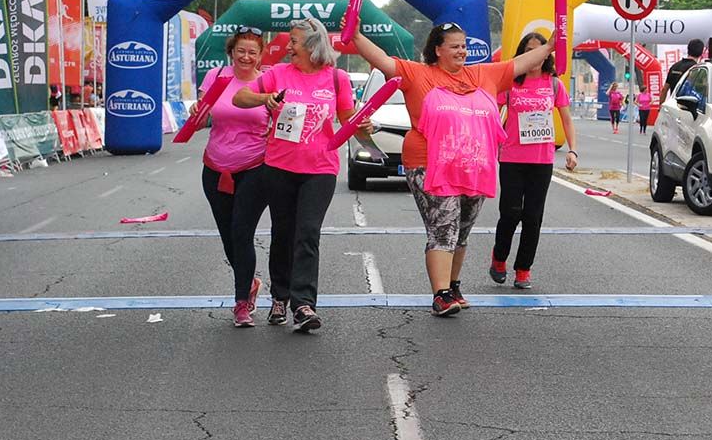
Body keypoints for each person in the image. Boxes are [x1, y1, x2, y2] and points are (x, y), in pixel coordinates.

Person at [348, 17, 556, 317]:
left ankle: (453, 285)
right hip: (428, 164)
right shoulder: (417, 74)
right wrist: (355, 35)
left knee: (461, 232)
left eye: (464, 46)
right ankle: (441, 294)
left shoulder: (483, 74)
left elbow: (520, 63)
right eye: (455, 47)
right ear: (437, 50)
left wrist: (549, 46)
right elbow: (380, 59)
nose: (462, 51)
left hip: (472, 167)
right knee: (443, 228)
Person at [234, 17, 363, 333]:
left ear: (311, 44)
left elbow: (348, 117)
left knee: (307, 232)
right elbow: (240, 98)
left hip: (320, 168)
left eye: (293, 41)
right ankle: (279, 295)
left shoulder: (336, 78)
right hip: (279, 167)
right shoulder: (278, 74)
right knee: (283, 233)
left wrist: (362, 123)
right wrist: (265, 98)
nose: (288, 46)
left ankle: (303, 304)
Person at [191, 25, 271, 328]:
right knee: (228, 236)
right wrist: (195, 114)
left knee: (241, 232)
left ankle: (241, 304)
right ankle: (249, 283)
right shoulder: (217, 78)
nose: (246, 57)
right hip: (215, 167)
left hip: (254, 167)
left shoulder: (267, 81)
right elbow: (201, 119)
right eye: (241, 51)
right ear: (231, 52)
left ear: (261, 55)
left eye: (253, 52)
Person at [489, 32, 577, 290]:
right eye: (529, 50)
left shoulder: (554, 84)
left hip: (542, 159)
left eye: (540, 51)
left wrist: (573, 150)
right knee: (510, 213)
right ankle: (499, 259)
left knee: (533, 216)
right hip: (512, 157)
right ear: (522, 53)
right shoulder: (510, 83)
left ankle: (524, 269)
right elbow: (492, 113)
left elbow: (567, 119)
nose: (535, 57)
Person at [660, 38, 704, 104]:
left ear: (688, 49)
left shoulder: (674, 66)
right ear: (701, 53)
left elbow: (664, 89)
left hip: (673, 106)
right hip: (688, 108)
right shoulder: (697, 69)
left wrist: (660, 106)